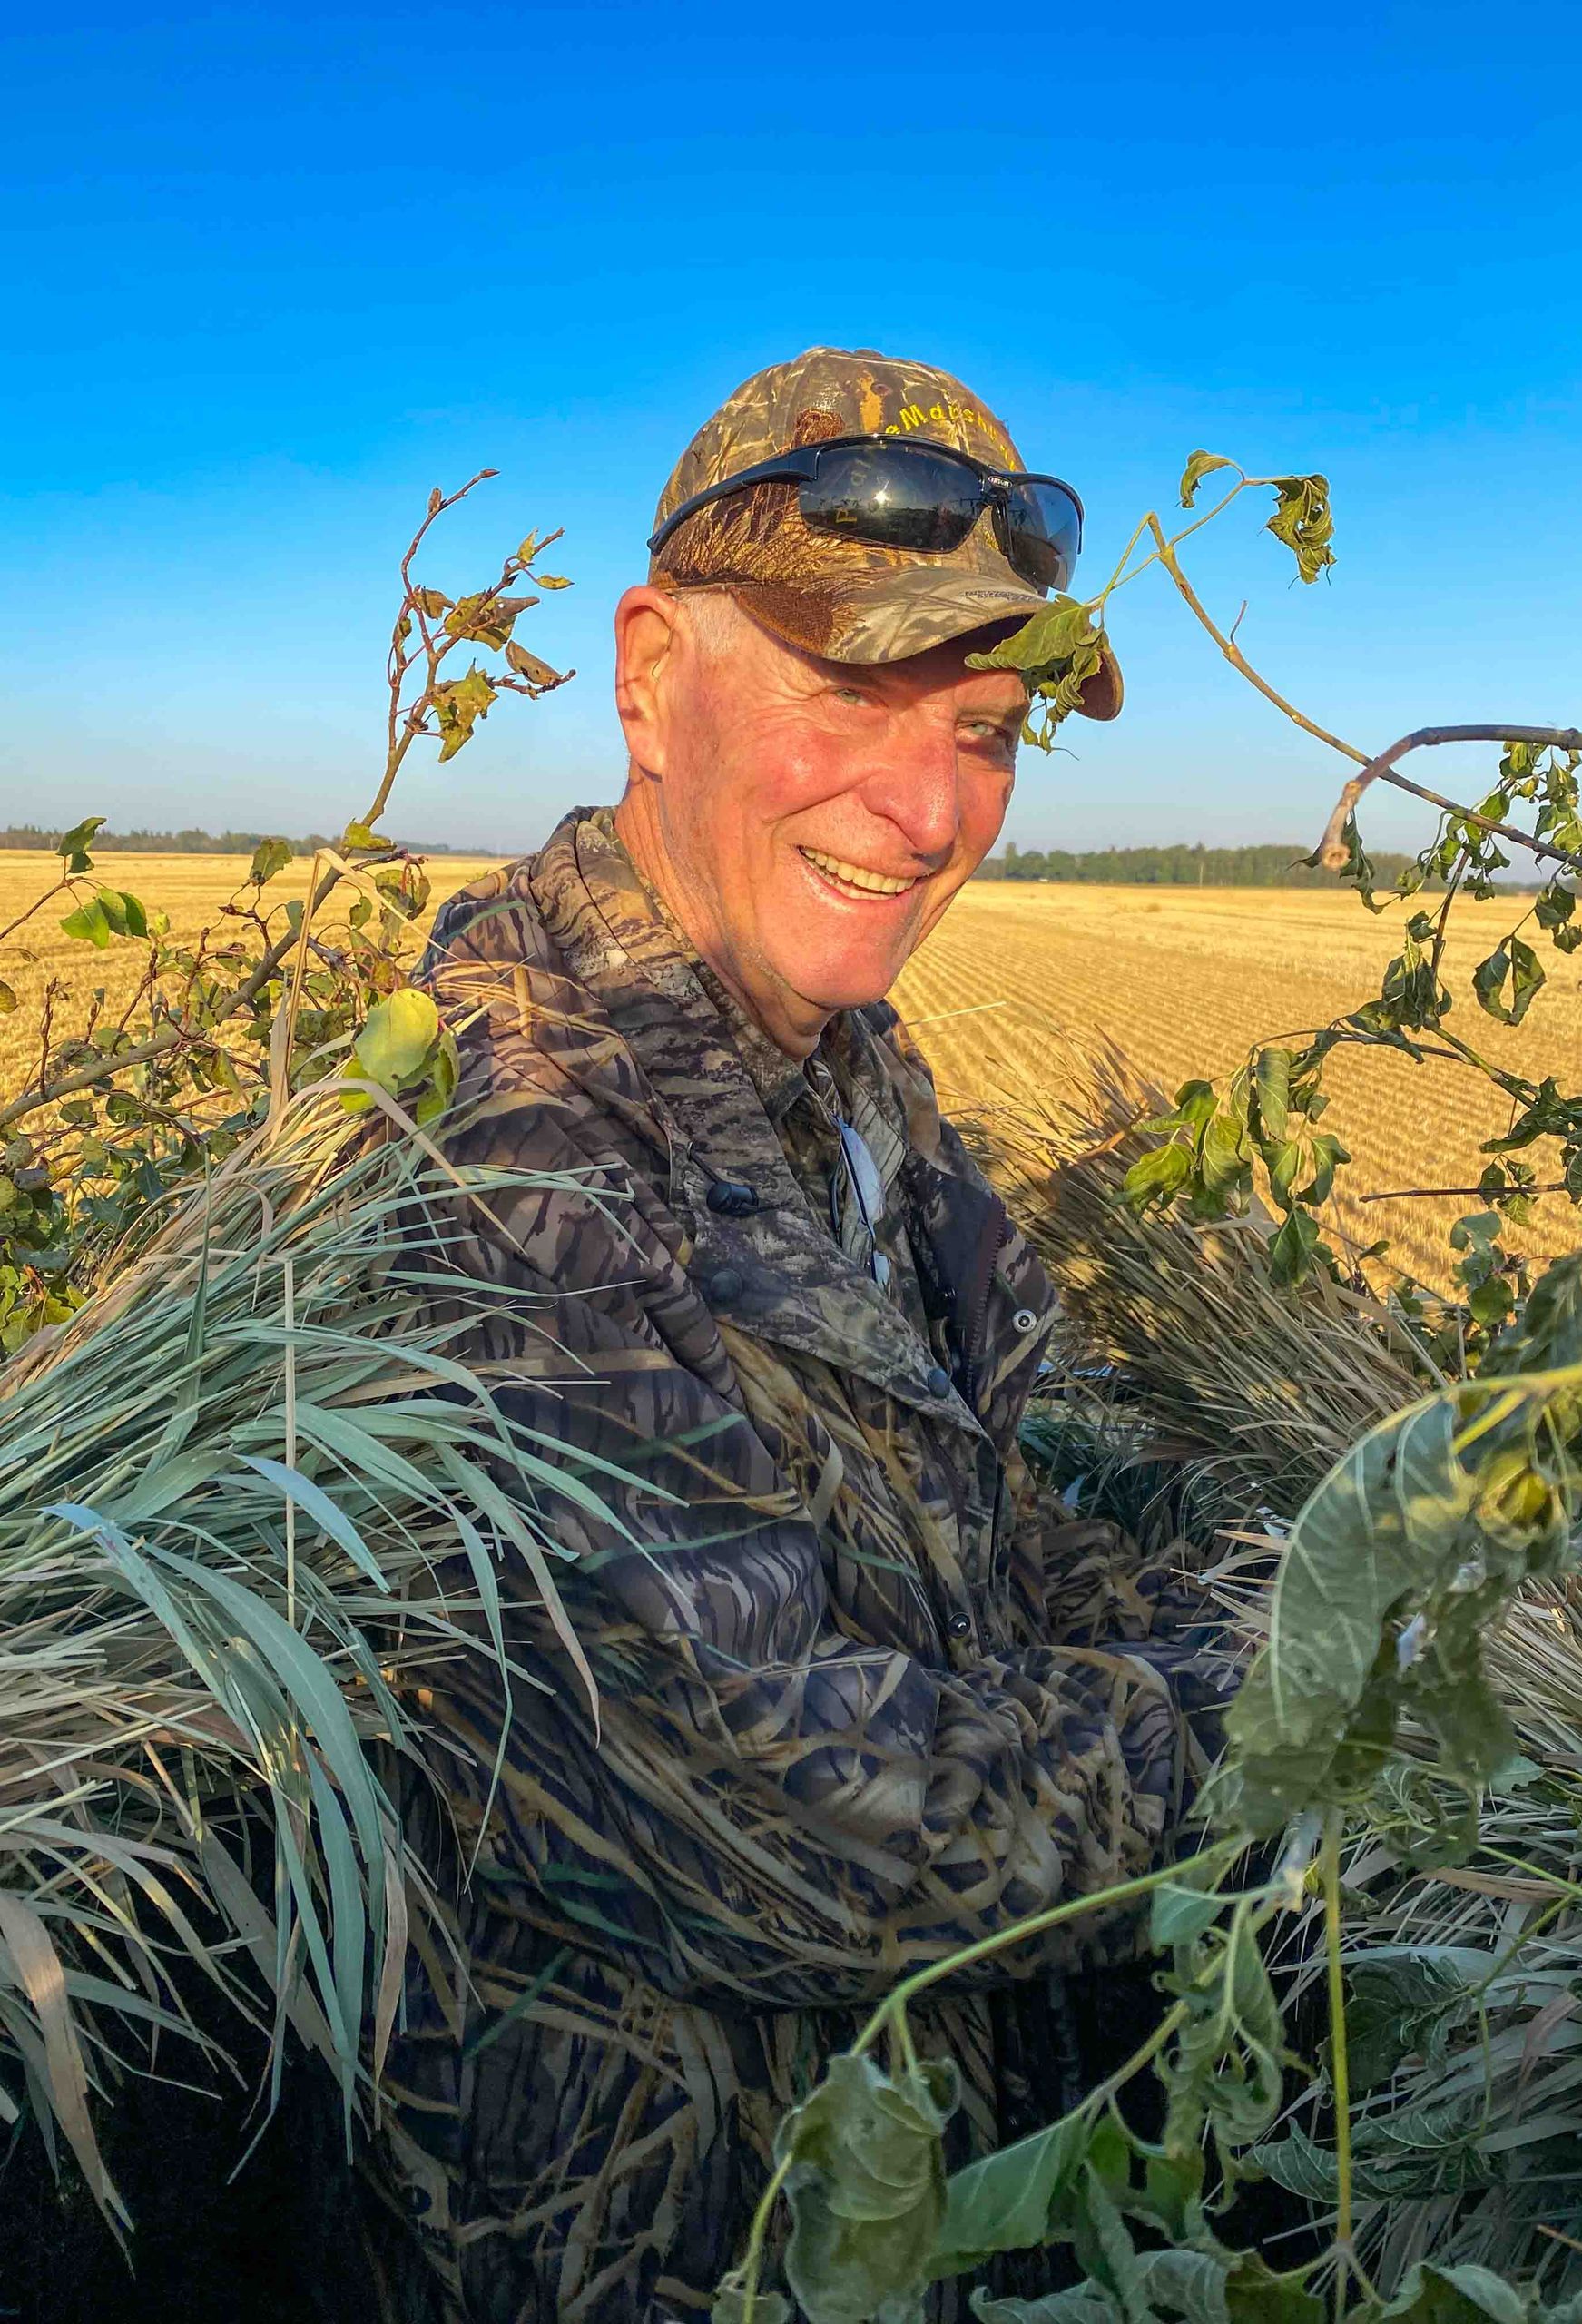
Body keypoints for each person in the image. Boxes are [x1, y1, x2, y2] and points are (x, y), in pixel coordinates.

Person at [376, 348, 1233, 2323]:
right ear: (651, 668)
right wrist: (1266, 1700)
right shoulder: (505, 1132)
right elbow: (770, 1815)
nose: (932, 807)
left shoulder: (845, 1064)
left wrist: (1227, 1572)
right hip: (662, 2254)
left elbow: (991, 1495)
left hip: (904, 2187)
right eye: (852, 686)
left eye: (993, 727)